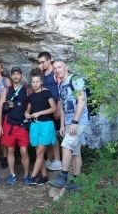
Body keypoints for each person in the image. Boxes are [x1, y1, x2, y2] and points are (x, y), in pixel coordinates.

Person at [49, 60, 90, 188]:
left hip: (79, 121)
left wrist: (74, 122)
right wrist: (62, 125)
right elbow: (62, 107)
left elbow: (81, 101)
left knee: (66, 145)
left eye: (59, 67)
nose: (57, 70)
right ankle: (77, 182)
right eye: (55, 68)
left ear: (66, 67)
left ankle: (63, 176)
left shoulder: (76, 79)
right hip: (68, 123)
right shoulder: (61, 84)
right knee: (76, 151)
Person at [0, 67, 30, 185]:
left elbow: (30, 104)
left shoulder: (26, 90)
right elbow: (0, 107)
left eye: (18, 74)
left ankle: (26, 175)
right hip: (9, 124)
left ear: (21, 76)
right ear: (11, 76)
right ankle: (12, 175)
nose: (16, 76)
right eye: (14, 74)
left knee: (24, 151)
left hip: (22, 125)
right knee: (10, 150)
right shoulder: (6, 90)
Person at [24, 70, 57, 185]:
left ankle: (32, 177)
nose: (36, 83)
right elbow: (27, 111)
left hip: (47, 124)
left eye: (38, 81)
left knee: (40, 152)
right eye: (33, 82)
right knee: (39, 152)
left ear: (41, 82)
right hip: (35, 125)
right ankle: (44, 177)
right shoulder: (31, 96)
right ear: (31, 83)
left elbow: (53, 108)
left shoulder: (47, 93)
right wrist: (27, 114)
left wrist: (39, 113)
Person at [37, 52, 62, 171]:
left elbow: (61, 91)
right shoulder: (43, 74)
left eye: (43, 62)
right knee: (49, 133)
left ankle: (57, 160)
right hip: (47, 108)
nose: (41, 64)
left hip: (56, 107)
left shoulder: (55, 74)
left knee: (54, 134)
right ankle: (50, 159)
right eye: (40, 62)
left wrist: (58, 109)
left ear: (49, 60)